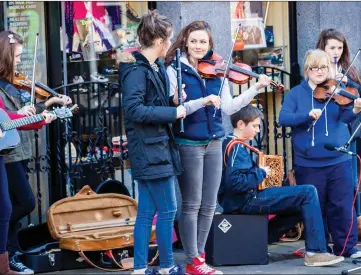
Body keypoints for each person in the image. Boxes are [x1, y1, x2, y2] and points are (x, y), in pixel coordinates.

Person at [164, 20, 271, 275]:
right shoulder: (174, 69)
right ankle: (192, 259)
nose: (199, 46)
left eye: (203, 41)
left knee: (210, 204)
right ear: (184, 42)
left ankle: (199, 258)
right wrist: (188, 99)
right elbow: (174, 105)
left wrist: (254, 88)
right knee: (192, 204)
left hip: (213, 142)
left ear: (209, 44)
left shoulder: (218, 70)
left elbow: (229, 107)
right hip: (188, 142)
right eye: (194, 41)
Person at [0, 30, 72, 274]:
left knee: (4, 207)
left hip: (8, 148)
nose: (19, 62)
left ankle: (1, 258)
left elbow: (10, 117)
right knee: (13, 205)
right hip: (0, 152)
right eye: (17, 56)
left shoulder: (2, 83)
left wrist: (43, 115)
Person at [219, 104, 345, 267]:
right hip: (246, 200)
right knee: (308, 192)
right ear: (241, 124)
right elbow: (236, 183)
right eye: (255, 126)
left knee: (301, 205)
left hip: (242, 199)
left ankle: (260, 240)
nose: (258, 130)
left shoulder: (230, 143)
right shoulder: (236, 147)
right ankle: (316, 252)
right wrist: (261, 172)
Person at [118, 10, 186, 275]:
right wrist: (173, 113)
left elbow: (149, 104)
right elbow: (134, 110)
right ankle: (167, 267)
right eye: (168, 39)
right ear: (159, 41)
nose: (170, 45)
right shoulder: (137, 70)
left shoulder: (150, 66)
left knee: (147, 211)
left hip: (153, 146)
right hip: (150, 148)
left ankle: (139, 268)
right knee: (169, 209)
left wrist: (171, 102)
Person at [279, 49, 361, 258]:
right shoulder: (297, 94)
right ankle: (319, 250)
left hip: (339, 159)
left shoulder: (337, 90)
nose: (319, 71)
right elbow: (284, 118)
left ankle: (347, 248)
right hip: (309, 163)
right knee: (316, 209)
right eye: (314, 67)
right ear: (307, 70)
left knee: (342, 205)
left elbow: (344, 119)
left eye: (323, 67)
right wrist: (305, 116)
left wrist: (354, 111)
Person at [316, 28, 361, 236]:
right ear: (323, 48)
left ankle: (352, 230)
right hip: (327, 134)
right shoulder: (318, 69)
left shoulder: (348, 71)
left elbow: (356, 94)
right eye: (332, 47)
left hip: (348, 132)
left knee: (351, 184)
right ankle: (330, 232)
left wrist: (347, 83)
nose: (336, 52)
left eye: (339, 48)